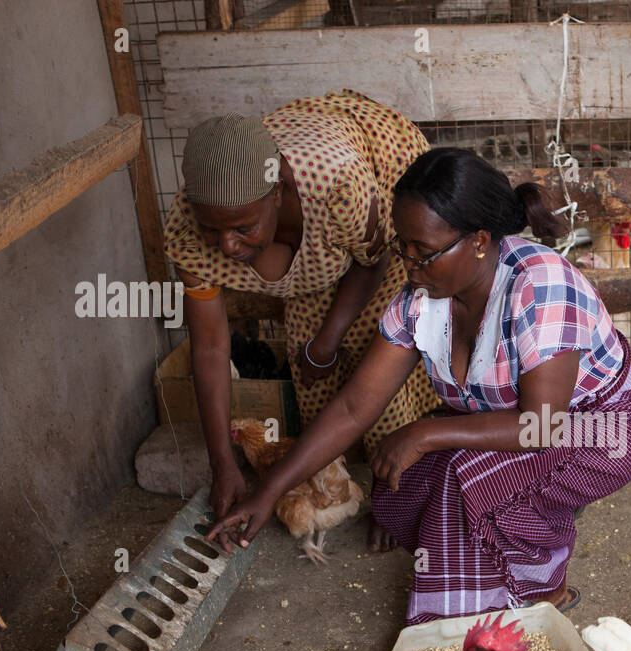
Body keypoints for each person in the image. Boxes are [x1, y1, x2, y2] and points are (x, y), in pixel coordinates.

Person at [207, 148, 631, 623]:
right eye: (403, 247)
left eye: (424, 252)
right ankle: (516, 514)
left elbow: (541, 426)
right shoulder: (423, 298)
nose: (408, 266)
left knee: (461, 479)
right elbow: (353, 409)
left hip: (602, 430)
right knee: (394, 482)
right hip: (512, 425)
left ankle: (541, 590)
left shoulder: (540, 285)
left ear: (480, 241)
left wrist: (425, 434)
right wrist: (269, 489)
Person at [164, 91, 440, 525]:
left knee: (377, 363)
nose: (227, 246)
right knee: (310, 370)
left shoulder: (341, 189)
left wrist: (328, 341)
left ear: (276, 194)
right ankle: (340, 476)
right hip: (313, 221)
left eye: (243, 228)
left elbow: (373, 264)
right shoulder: (187, 226)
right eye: (212, 230)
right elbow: (212, 346)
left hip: (382, 177)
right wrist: (224, 465)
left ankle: (395, 498)